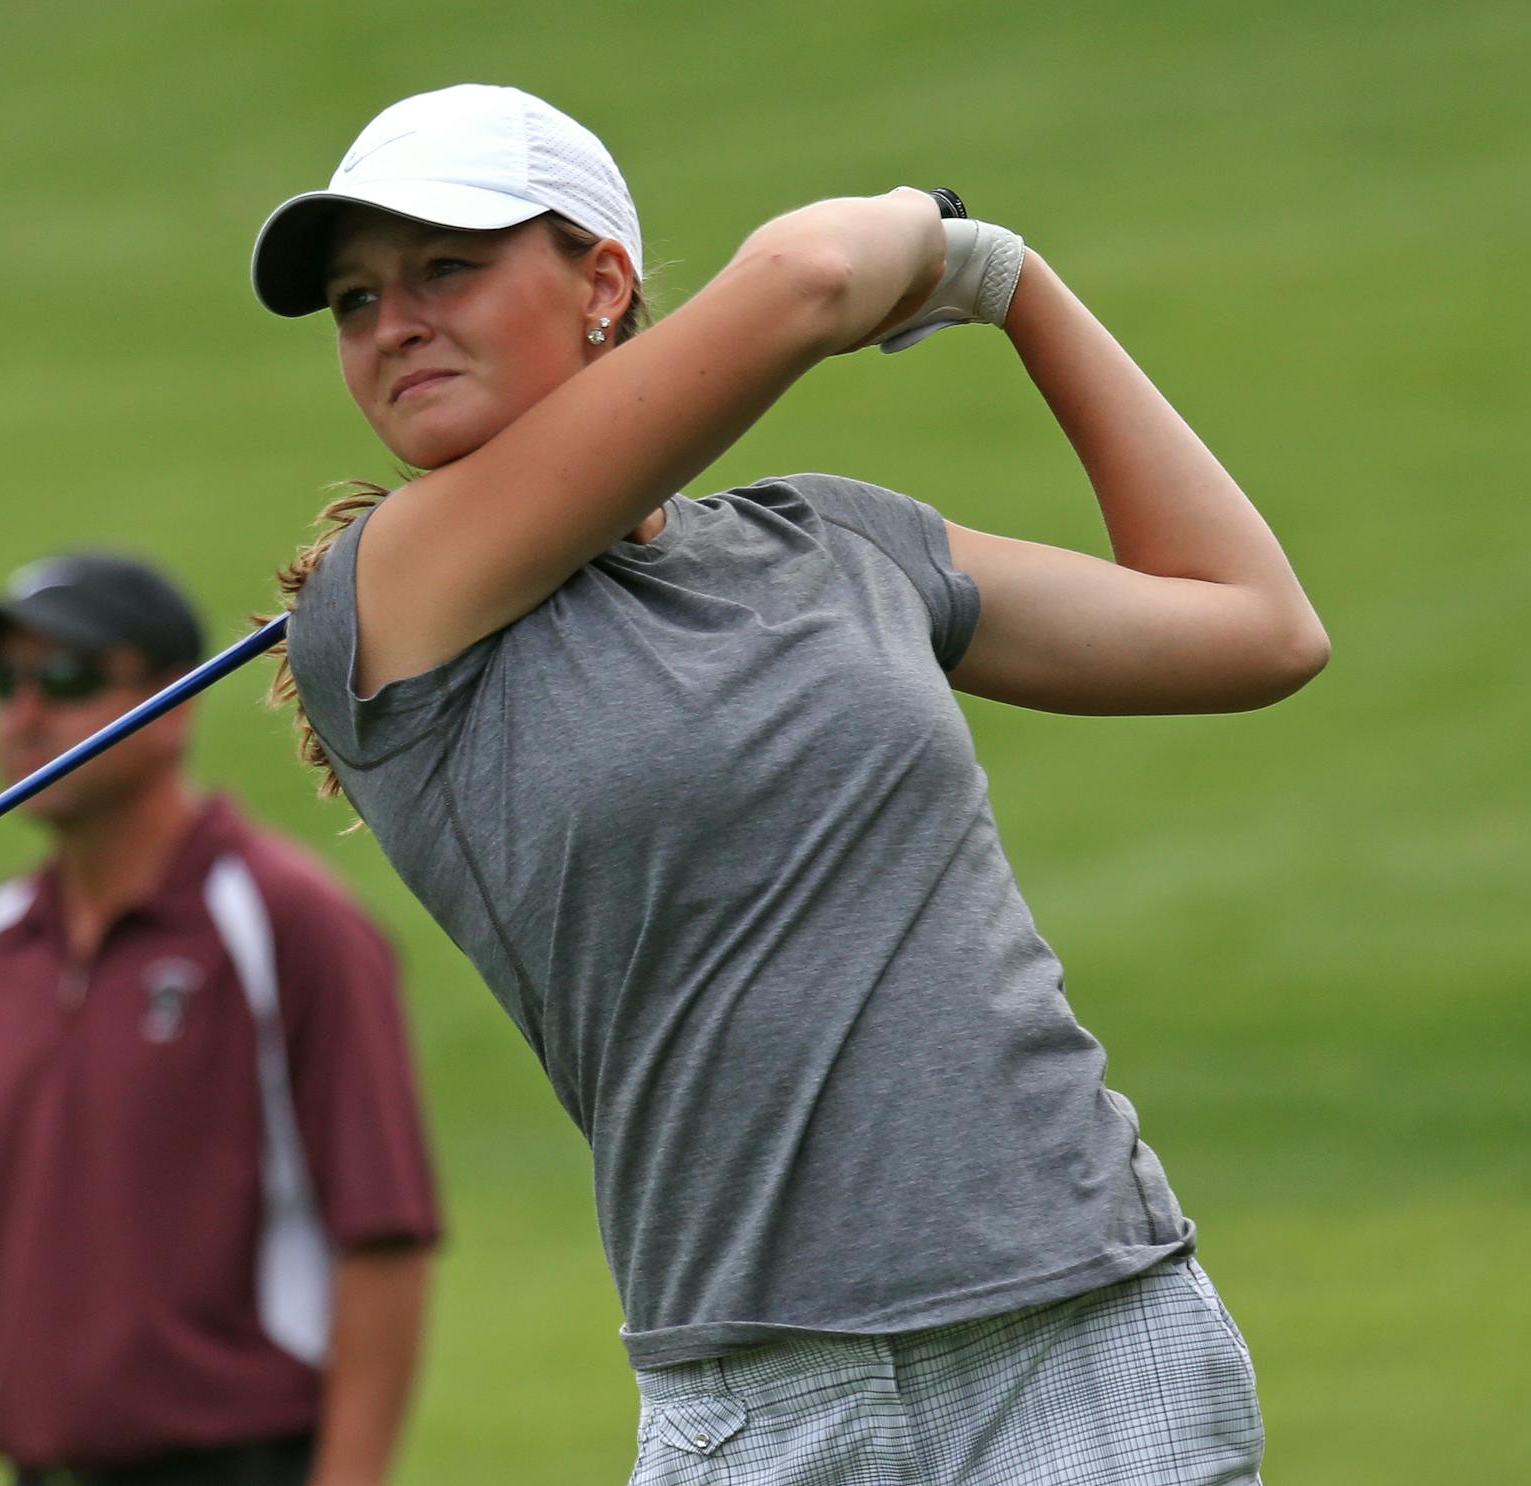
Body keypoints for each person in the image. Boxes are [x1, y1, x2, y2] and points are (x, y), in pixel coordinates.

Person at [247, 83, 1328, 1484]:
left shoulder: (835, 541)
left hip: (1086, 1329)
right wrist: (924, 226)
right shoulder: (386, 599)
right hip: (761, 1402)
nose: (391, 323)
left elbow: (1257, 630)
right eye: (354, 300)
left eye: (444, 268)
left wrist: (1014, 285)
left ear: (603, 284)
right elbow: (814, 274)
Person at [0, 552, 441, 1486]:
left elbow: (381, 1238)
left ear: (173, 704)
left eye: (66, 679)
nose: (24, 714)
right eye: (5, 683)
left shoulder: (286, 924)